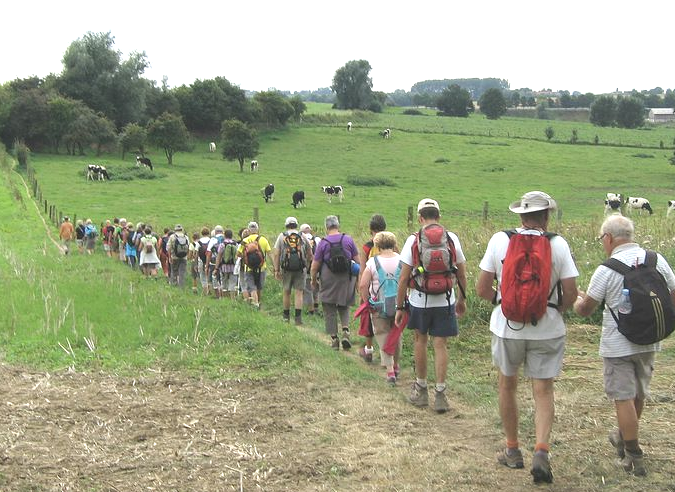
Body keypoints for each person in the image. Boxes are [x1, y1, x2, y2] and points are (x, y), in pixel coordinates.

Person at [476, 191, 578, 484]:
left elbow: (482, 289)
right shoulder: (558, 244)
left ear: (520, 216)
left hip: (507, 327)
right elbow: (570, 292)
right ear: (546, 217)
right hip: (548, 327)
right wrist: (556, 310)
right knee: (543, 390)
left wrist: (505, 300)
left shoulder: (500, 240)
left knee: (507, 385)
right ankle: (541, 450)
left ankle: (512, 450)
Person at [574, 215, 675, 477]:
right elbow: (672, 294)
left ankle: (633, 455)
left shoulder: (607, 269)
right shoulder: (656, 259)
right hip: (650, 339)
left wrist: (577, 299)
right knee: (638, 394)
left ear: (608, 238)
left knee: (623, 397)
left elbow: (586, 310)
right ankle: (623, 436)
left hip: (619, 344)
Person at [395, 198, 467, 414]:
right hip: (446, 298)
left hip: (420, 299)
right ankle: (441, 394)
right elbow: (461, 272)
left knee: (420, 340)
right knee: (440, 345)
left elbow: (403, 277)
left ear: (420, 217)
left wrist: (400, 307)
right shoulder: (451, 238)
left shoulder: (413, 240)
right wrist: (462, 300)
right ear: (439, 216)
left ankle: (421, 388)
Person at [359, 231, 402, 384]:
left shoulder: (372, 262)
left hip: (378, 305)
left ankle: (390, 370)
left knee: (383, 333)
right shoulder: (402, 260)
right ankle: (396, 365)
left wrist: (366, 301)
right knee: (396, 334)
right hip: (399, 304)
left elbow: (363, 284)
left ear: (377, 245)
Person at [310, 215, 359, 350]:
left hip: (328, 278)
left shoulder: (323, 242)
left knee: (329, 308)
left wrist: (314, 280)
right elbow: (358, 261)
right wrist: (358, 280)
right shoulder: (348, 239)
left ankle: (334, 339)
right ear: (338, 226)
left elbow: (315, 265)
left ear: (326, 227)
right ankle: (345, 330)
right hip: (346, 277)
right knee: (344, 305)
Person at [272, 217, 313, 325]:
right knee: (299, 293)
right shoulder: (302, 236)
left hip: (286, 269)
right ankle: (298, 319)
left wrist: (276, 270)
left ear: (286, 225)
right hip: (300, 269)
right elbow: (310, 253)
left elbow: (276, 254)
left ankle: (286, 317)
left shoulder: (282, 236)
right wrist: (307, 265)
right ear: (296, 225)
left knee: (286, 292)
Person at [358, 214, 387, 363]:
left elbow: (362, 270)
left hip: (371, 290)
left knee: (368, 319)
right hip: (389, 289)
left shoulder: (366, 247)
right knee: (388, 320)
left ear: (371, 230)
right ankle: (388, 354)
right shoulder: (391, 245)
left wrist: (361, 290)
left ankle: (368, 350)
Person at [237, 222, 272, 309]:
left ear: (249, 230)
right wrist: (275, 267)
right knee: (259, 287)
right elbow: (270, 253)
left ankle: (255, 304)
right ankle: (258, 303)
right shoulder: (263, 240)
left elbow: (238, 254)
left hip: (248, 268)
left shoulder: (244, 241)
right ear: (257, 229)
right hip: (262, 268)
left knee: (252, 287)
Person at [300, 224, 320, 316]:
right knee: (316, 288)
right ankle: (316, 308)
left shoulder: (300, 239)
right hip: (317, 268)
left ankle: (311, 311)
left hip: (306, 268)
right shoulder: (317, 239)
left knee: (308, 289)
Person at [215, 229, 239, 300]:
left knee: (224, 283)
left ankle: (225, 299)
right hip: (234, 267)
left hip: (224, 267)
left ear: (225, 235)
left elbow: (219, 256)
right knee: (232, 283)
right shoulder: (236, 244)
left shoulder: (222, 244)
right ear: (232, 235)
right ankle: (232, 299)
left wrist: (216, 267)